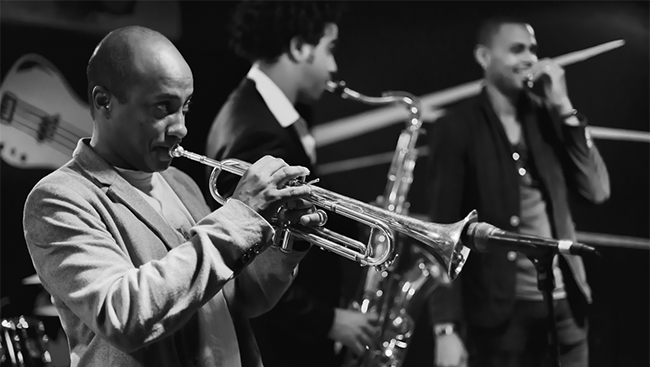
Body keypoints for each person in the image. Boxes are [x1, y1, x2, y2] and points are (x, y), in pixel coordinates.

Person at [22, 25, 327, 367]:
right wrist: (240, 215)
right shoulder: (59, 198)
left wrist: (287, 247)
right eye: (162, 107)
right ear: (103, 102)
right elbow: (123, 315)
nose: (180, 126)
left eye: (185, 107)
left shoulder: (180, 182)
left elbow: (239, 300)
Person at [426, 17, 610, 367]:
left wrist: (564, 106)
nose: (529, 58)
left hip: (564, 304)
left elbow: (596, 190)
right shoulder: (456, 127)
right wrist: (445, 329)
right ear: (483, 57)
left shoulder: (549, 117)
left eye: (532, 49)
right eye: (516, 49)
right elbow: (442, 232)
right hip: (499, 316)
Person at [205, 2, 378, 366]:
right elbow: (254, 261)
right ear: (300, 47)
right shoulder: (256, 130)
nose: (333, 67)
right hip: (281, 347)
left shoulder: (266, 113)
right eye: (329, 50)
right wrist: (329, 321)